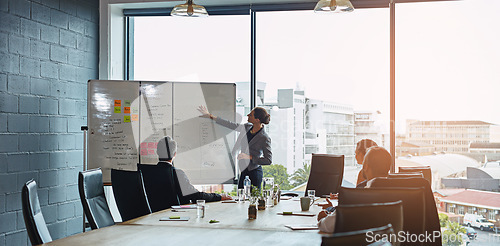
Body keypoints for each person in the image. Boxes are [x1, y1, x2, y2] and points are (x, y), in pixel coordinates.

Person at [317, 146, 392, 233]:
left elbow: (328, 226)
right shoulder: (399, 193)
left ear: (366, 167)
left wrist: (323, 219)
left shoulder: (356, 196)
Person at [198, 105, 272, 189]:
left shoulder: (264, 138)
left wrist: (249, 157)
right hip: (243, 171)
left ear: (257, 120)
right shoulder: (247, 127)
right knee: (241, 196)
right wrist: (211, 116)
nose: (247, 115)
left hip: (254, 172)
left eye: (250, 115)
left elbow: (268, 160)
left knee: (253, 199)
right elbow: (230, 125)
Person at [156, 136, 232, 203]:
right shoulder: (176, 173)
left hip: (150, 216)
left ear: (157, 152)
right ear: (175, 154)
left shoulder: (145, 173)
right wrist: (218, 197)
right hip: (176, 215)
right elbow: (195, 196)